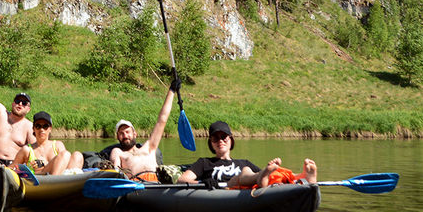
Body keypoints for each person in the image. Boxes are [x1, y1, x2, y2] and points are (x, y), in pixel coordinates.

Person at [177, 121, 319, 189]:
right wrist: (202, 182)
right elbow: (182, 180)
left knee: (273, 173)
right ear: (211, 143)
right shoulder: (204, 163)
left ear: (231, 140)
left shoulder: (243, 162)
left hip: (248, 189)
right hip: (227, 190)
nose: (220, 141)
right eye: (215, 138)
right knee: (247, 172)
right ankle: (261, 178)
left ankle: (303, 177)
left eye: (224, 137)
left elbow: (268, 174)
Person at [111, 81, 178, 179]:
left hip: (156, 184)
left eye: (127, 132)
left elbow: (162, 120)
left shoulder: (149, 147)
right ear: (117, 137)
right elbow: (115, 170)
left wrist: (172, 91)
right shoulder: (118, 152)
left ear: (135, 134)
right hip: (136, 186)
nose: (125, 135)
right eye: (121, 133)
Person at [11, 111, 83, 175]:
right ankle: (55, 183)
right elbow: (13, 167)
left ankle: (69, 183)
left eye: (45, 126)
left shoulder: (58, 145)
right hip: (40, 180)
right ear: (33, 129)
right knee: (65, 154)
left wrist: (45, 164)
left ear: (50, 128)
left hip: (61, 176)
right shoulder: (27, 150)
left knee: (77, 155)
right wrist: (27, 168)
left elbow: (65, 163)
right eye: (38, 126)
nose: (41, 129)